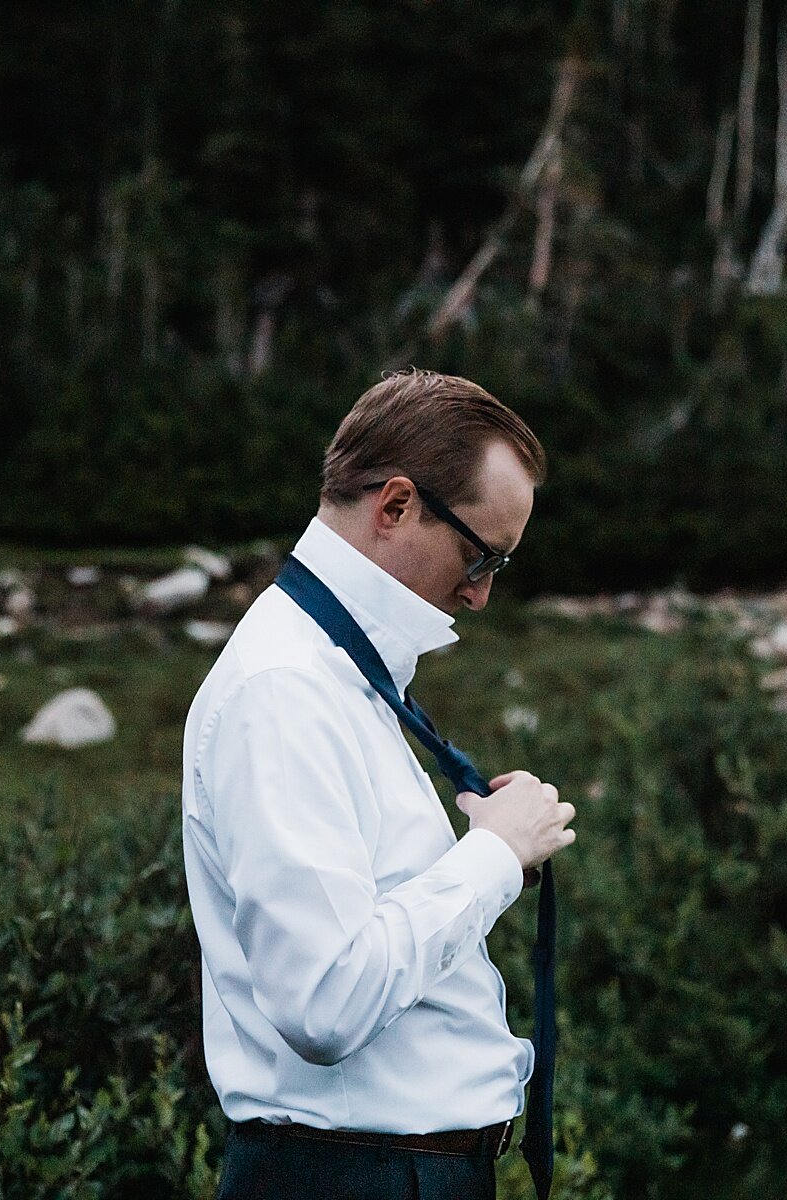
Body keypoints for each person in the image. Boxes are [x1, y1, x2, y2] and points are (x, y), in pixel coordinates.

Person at [181, 370, 577, 1200]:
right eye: (481, 554)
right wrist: (493, 858)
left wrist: (486, 855)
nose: (480, 593)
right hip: (354, 1178)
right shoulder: (284, 689)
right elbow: (326, 1002)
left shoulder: (341, 673)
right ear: (396, 505)